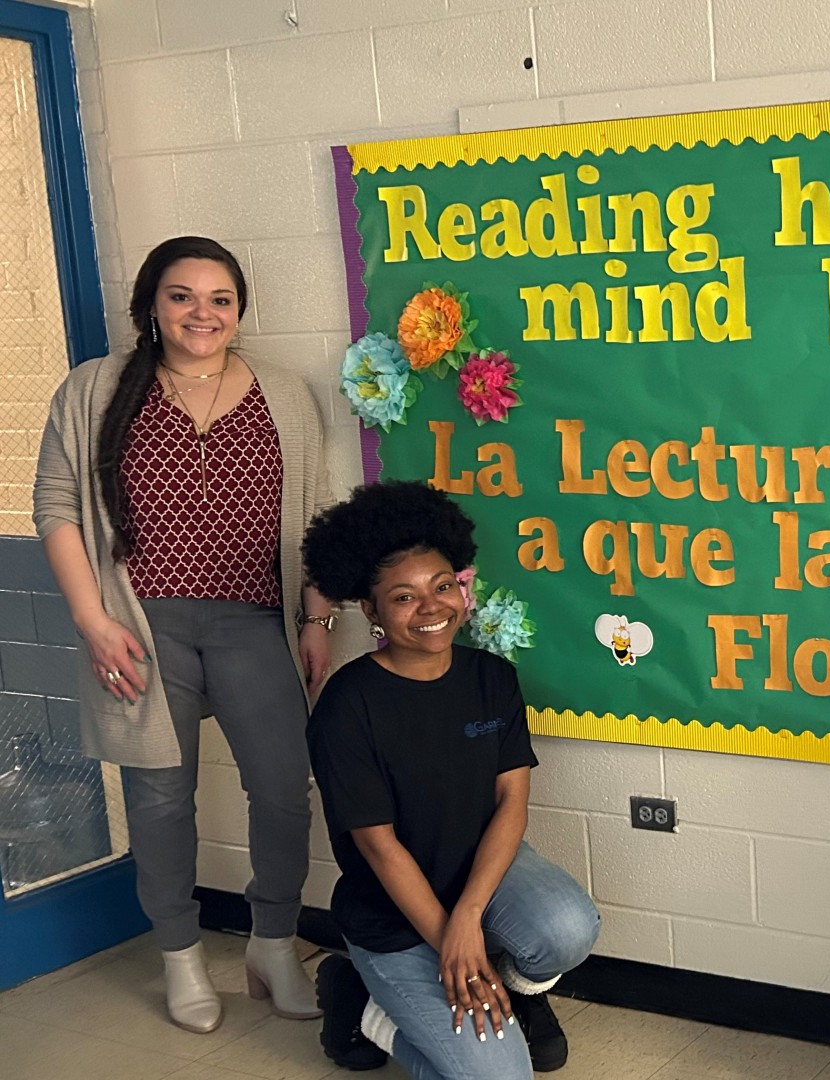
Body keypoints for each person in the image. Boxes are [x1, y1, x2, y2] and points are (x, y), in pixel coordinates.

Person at [33, 236, 333, 1032]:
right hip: (141, 624)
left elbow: (312, 519)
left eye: (219, 299)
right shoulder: (94, 390)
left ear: (239, 311)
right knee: (161, 799)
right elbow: (57, 508)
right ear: (152, 305)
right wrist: (93, 622)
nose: (202, 313)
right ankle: (181, 957)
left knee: (283, 791)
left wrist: (316, 617)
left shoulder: (283, 393)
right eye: (182, 295)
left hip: (255, 620)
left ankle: (274, 945)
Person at [302, 480, 599, 1078]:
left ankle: (518, 995)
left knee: (567, 927)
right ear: (372, 610)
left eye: (442, 587)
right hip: (395, 915)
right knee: (500, 1077)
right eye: (404, 598)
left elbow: (512, 798)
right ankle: (361, 1002)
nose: (432, 608)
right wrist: (449, 944)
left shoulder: (490, 676)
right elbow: (379, 849)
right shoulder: (348, 705)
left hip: (477, 880)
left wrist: (466, 920)